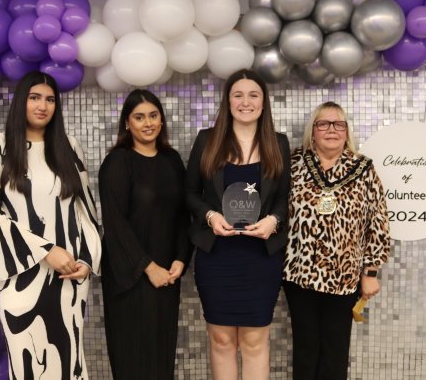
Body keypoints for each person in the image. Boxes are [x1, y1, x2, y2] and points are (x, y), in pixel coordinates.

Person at [0, 71, 102, 380]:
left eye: (49, 99)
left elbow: (84, 209)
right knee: (27, 361)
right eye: (34, 98)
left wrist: (86, 260)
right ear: (22, 101)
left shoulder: (69, 147)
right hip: (19, 274)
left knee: (68, 359)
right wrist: (46, 249)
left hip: (67, 275)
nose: (42, 106)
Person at [185, 69, 290, 380]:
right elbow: (189, 193)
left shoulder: (278, 144)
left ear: (263, 102)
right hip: (217, 256)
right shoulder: (207, 140)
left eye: (253, 95)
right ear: (228, 101)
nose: (246, 102)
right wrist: (210, 216)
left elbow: (285, 199)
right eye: (238, 95)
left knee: (255, 341)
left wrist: (274, 219)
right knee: (221, 340)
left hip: (261, 259)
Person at [283, 101, 390, 380]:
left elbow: (378, 223)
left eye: (338, 124)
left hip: (344, 277)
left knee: (335, 349)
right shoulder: (294, 164)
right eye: (323, 124)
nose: (332, 129)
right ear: (313, 131)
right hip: (300, 274)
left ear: (346, 131)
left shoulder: (363, 169)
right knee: (305, 348)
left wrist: (370, 272)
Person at [98, 89, 192, 380]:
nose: (148, 123)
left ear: (162, 121)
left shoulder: (172, 160)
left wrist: (180, 259)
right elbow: (115, 225)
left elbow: (182, 215)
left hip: (166, 274)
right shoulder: (117, 162)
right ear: (128, 123)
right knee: (133, 357)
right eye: (139, 117)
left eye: (153, 116)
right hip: (131, 277)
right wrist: (147, 268)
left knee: (161, 355)